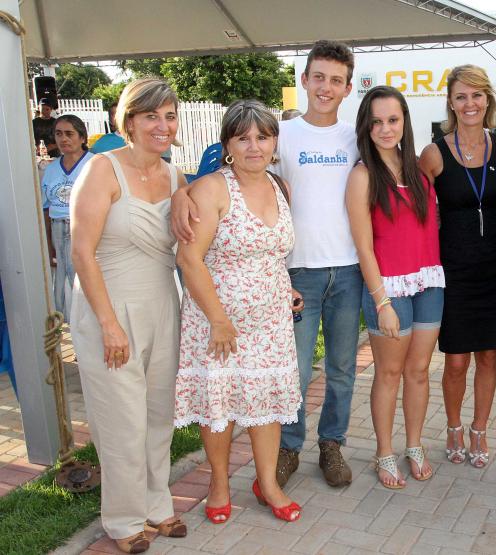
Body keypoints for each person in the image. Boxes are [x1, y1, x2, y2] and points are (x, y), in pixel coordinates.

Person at [171, 40, 362, 490]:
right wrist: (180, 191)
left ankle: (331, 445)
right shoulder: (281, 131)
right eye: (318, 77)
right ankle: (286, 450)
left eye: (336, 80)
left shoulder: (356, 137)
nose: (326, 87)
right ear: (304, 80)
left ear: (348, 87)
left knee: (340, 368)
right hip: (296, 272)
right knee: (289, 372)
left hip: (346, 269)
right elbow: (218, 175)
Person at [69, 78, 187, 554]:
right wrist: (109, 324)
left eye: (170, 115)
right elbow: (81, 251)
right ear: (130, 121)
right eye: (152, 116)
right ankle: (122, 520)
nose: (163, 125)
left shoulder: (177, 177)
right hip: (108, 311)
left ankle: (158, 506)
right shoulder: (101, 169)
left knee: (159, 414)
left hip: (163, 305)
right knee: (121, 421)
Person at [174, 100, 302, 524]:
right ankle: (219, 483)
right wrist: (218, 320)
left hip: (271, 324)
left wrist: (287, 288)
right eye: (242, 137)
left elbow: (271, 255)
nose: (254, 146)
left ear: (274, 141)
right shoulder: (213, 188)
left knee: (265, 404)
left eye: (262, 136)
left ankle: (268, 483)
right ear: (228, 143)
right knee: (220, 406)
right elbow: (189, 259)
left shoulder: (280, 187)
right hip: (218, 324)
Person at [346, 86, 444, 488]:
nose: (386, 129)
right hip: (390, 288)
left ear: (404, 122)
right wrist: (381, 301)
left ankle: (415, 445)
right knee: (388, 372)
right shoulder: (362, 176)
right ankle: (384, 451)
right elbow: (364, 247)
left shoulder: (421, 172)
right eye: (377, 122)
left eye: (393, 120)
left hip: (430, 282)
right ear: (366, 127)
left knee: (419, 371)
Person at [418, 65, 496, 469]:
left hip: (495, 268)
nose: (469, 103)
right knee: (456, 359)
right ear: (451, 103)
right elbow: (421, 216)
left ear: (487, 99)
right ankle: (454, 427)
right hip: (453, 270)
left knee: (488, 356)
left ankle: (480, 428)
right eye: (461, 96)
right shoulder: (434, 153)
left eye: (476, 95)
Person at [42, 115, 93, 322]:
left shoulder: (95, 164)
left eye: (69, 134)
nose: (64, 139)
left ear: (82, 137)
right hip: (58, 228)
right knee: (64, 283)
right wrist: (48, 243)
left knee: (85, 281)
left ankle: (89, 334)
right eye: (59, 134)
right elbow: (46, 208)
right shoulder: (51, 169)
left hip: (84, 229)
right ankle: (73, 333)